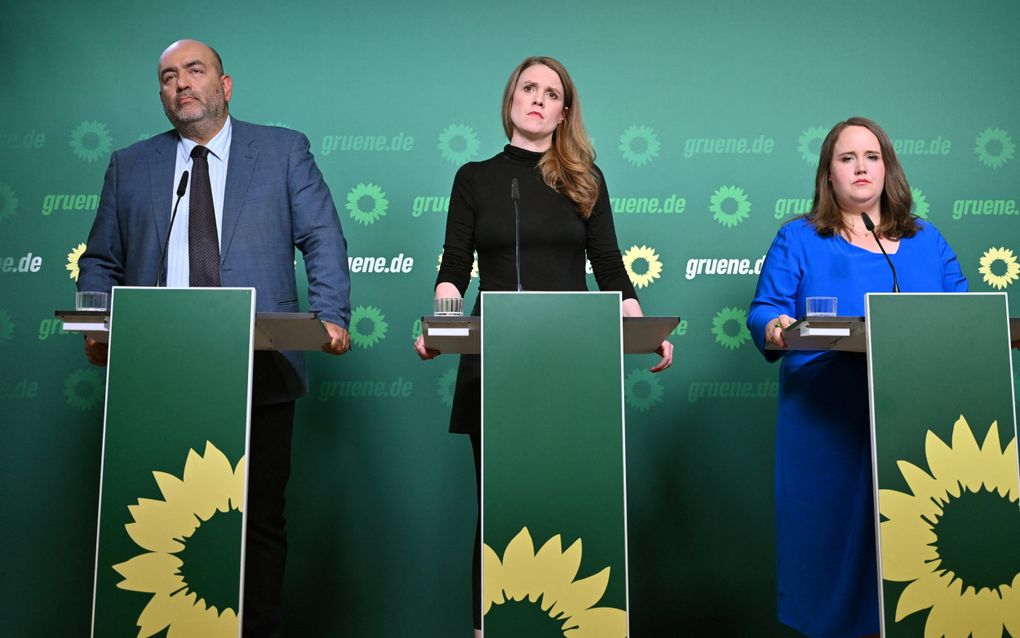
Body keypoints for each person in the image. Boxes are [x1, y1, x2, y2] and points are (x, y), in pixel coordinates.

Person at [77, 39, 351, 637]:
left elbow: (323, 238)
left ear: (225, 86)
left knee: (256, 522)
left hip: (262, 370)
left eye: (195, 71)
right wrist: (97, 323)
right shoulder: (131, 165)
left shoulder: (282, 150)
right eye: (169, 77)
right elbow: (100, 261)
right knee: (157, 517)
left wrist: (331, 314)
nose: (182, 84)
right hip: (158, 372)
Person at [414, 56, 673, 635]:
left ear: (563, 111)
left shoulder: (586, 178)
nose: (537, 98)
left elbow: (608, 262)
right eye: (528, 88)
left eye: (550, 92)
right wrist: (443, 321)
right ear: (511, 99)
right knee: (499, 504)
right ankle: (490, 625)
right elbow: (456, 264)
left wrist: (638, 322)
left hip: (573, 356)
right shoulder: (475, 178)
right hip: (495, 355)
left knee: (573, 497)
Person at [747, 116, 967, 638]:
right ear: (829, 174)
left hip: (917, 424)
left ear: (888, 167)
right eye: (847, 158)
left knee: (920, 560)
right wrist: (775, 325)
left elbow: (966, 311)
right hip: (825, 423)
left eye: (871, 156)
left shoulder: (926, 239)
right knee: (826, 558)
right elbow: (764, 311)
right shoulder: (798, 237)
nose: (861, 167)